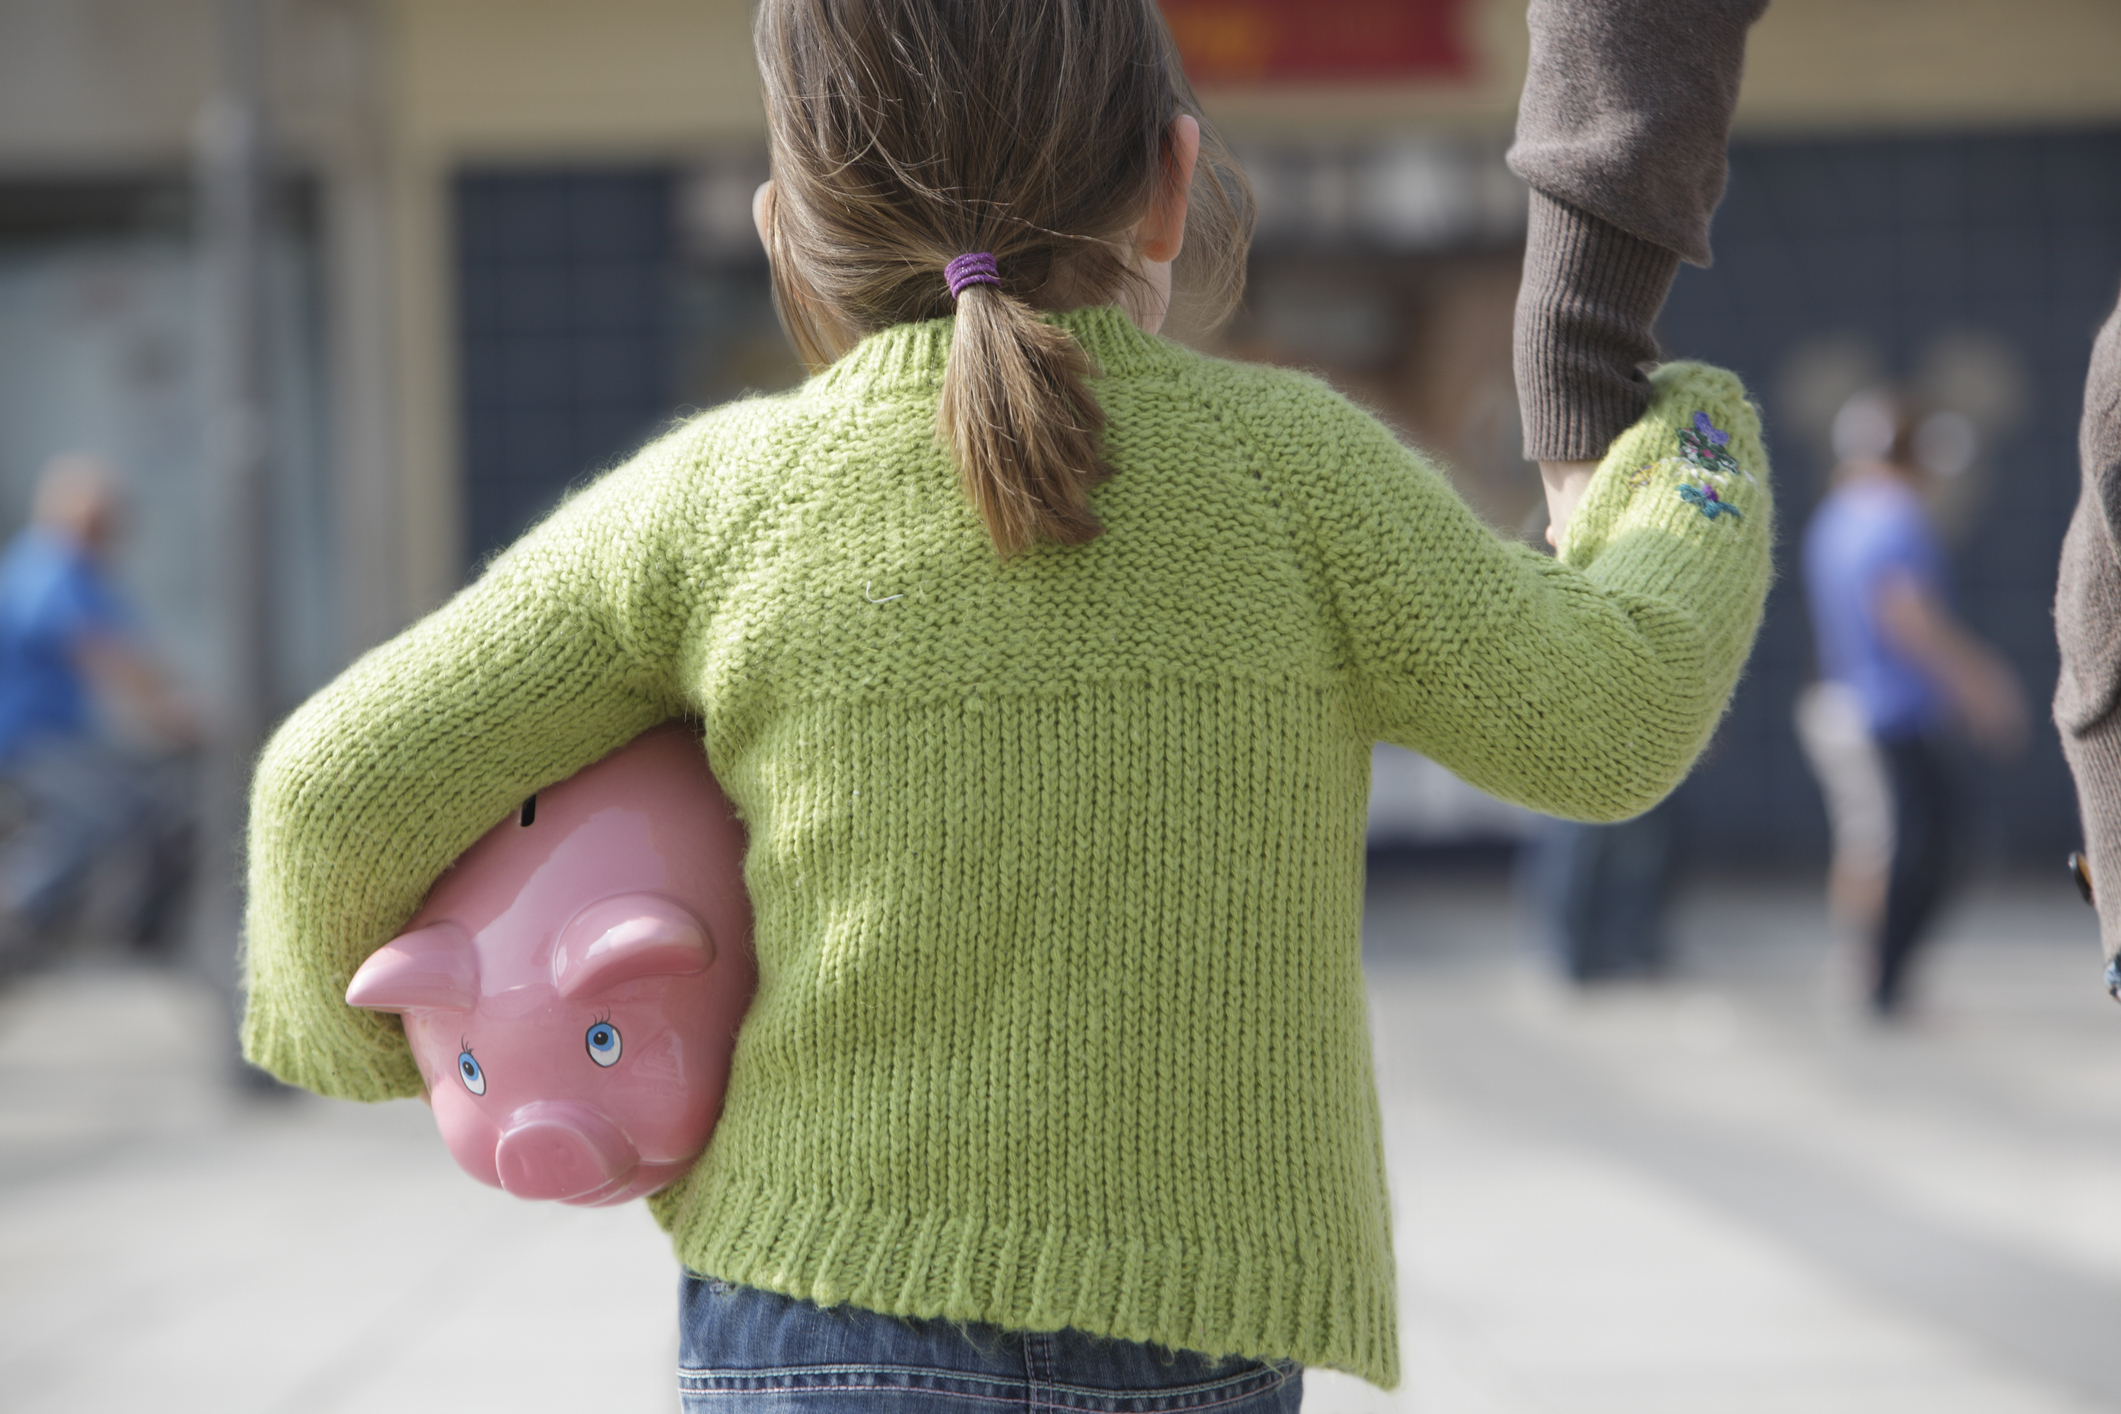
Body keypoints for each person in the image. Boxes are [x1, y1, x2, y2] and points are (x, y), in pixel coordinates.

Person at [239, 0, 1773, 1403]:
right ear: (1173, 183)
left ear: (792, 234)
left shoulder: (716, 504)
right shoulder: (1300, 473)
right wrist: (1688, 451)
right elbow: (1609, 717)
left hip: (810, 1310)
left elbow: (325, 791)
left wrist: (379, 1048)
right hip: (1192, 1325)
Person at [1800, 392, 2027, 1016]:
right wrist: (1979, 683)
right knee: (1920, 846)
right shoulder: (1892, 514)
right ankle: (1879, 975)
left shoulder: (1837, 512)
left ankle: (1864, 965)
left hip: (1846, 704)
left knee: (1870, 844)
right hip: (1886, 717)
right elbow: (1906, 613)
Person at [0, 453, 199, 975]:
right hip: (25, 740)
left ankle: (46, 919)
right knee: (109, 808)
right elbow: (102, 651)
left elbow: (137, 651)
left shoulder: (78, 571)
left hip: (57, 737)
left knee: (124, 800)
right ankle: (20, 913)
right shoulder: (48, 565)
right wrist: (170, 713)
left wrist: (176, 694)